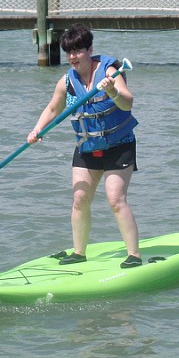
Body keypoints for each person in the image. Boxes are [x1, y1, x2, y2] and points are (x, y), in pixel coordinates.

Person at [27, 24, 142, 269]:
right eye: (69, 52)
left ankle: (134, 255)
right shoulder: (66, 81)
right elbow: (52, 109)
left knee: (115, 199)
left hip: (118, 144)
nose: (72, 57)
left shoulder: (111, 71)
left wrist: (112, 92)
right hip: (87, 146)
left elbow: (128, 103)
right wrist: (37, 130)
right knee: (80, 199)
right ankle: (79, 253)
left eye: (78, 51)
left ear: (90, 49)